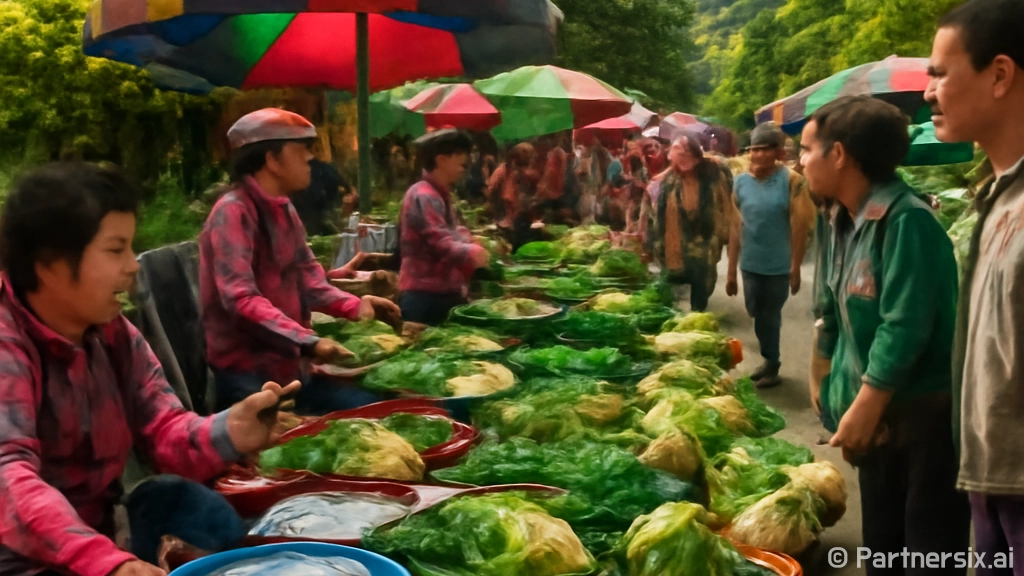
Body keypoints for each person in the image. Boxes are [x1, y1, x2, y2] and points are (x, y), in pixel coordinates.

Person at [0, 162, 298, 576]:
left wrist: (231, 429)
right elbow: (8, 481)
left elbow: (164, 430)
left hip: (101, 541)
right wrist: (106, 562)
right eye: (115, 249)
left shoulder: (112, 333)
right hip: (22, 560)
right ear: (48, 263)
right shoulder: (7, 340)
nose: (133, 266)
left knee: (183, 501)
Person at [803, 96, 970, 575]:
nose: (802, 160)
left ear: (840, 155)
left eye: (809, 149)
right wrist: (824, 376)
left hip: (920, 423)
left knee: (928, 554)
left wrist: (864, 405)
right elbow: (832, 311)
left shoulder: (906, 221)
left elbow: (905, 326)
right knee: (883, 548)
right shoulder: (841, 218)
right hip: (875, 426)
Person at [200, 108, 400, 415]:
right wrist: (308, 341)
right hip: (248, 378)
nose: (310, 159)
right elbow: (240, 300)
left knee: (381, 410)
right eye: (302, 150)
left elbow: (311, 281)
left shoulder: (285, 211)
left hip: (293, 367)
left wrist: (355, 306)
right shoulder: (232, 213)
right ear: (272, 160)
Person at [927, 1, 1024, 572]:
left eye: (940, 73)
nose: (927, 91)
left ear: (1000, 75)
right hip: (991, 478)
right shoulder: (996, 196)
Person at [726, 123, 815, 388]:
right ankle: (768, 358)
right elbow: (735, 226)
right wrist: (731, 270)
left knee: (769, 314)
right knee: (754, 310)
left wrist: (795, 266)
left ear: (777, 152)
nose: (759, 155)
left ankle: (772, 363)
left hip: (779, 265)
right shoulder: (740, 182)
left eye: (766, 150)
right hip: (750, 263)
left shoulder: (792, 181)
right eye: (754, 150)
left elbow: (800, 227)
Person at [399, 129, 490, 325]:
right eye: (460, 164)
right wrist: (471, 252)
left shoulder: (439, 193)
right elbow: (439, 241)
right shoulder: (425, 195)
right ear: (441, 160)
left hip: (442, 291)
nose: (463, 170)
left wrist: (467, 238)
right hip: (424, 296)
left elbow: (450, 230)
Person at [651, 134, 734, 312]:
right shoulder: (670, 180)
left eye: (686, 163)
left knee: (701, 289)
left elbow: (726, 208)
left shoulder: (712, 174)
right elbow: (657, 213)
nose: (683, 169)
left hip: (703, 245)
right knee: (668, 288)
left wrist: (725, 237)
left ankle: (697, 313)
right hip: (674, 243)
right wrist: (654, 242)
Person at [289, 158, 347, 237]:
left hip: (311, 207)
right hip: (319, 206)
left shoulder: (319, 167)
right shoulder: (325, 167)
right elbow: (342, 183)